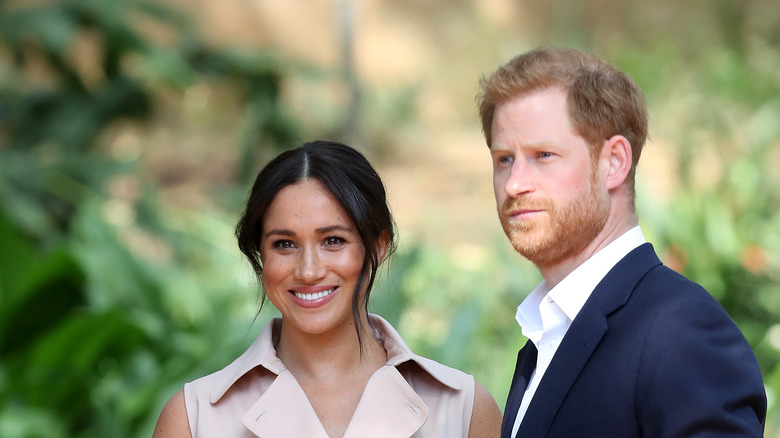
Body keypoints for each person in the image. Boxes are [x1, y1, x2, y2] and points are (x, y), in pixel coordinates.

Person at [475, 47, 767, 437]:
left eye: (543, 155)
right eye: (504, 159)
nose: (514, 184)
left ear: (614, 161)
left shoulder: (680, 332)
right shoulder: (546, 337)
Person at [153, 140, 502, 437]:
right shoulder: (193, 419)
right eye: (284, 244)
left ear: (378, 247)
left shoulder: (464, 411)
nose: (308, 270)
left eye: (333, 240)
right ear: (261, 255)